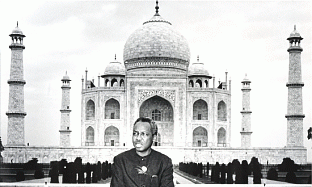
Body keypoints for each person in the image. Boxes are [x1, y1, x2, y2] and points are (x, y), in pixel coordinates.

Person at [111, 117, 174, 187]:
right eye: (135, 133)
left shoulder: (164, 162)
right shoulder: (120, 160)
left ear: (154, 137)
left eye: (143, 134)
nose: (138, 138)